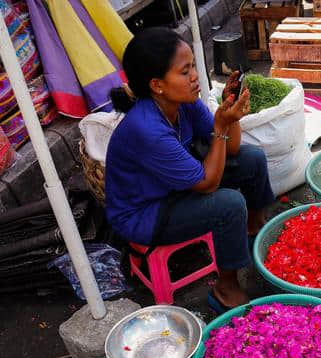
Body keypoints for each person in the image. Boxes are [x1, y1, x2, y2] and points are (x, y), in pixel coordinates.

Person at [105, 27, 274, 312]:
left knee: (252, 159)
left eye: (194, 66)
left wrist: (228, 111)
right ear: (157, 85)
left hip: (173, 185)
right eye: (185, 72)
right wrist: (220, 126)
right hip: (145, 212)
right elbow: (207, 183)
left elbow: (231, 148)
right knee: (229, 204)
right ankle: (226, 289)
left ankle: (253, 232)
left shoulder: (185, 103)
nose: (195, 76)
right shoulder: (146, 129)